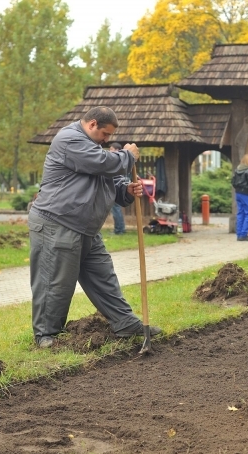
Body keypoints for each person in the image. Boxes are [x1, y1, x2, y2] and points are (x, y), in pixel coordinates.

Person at [28, 106, 162, 348]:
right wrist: (128, 156)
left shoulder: (92, 147)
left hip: (86, 227)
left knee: (104, 277)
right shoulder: (70, 140)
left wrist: (126, 190)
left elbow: (109, 179)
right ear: (91, 125)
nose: (107, 140)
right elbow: (102, 164)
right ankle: (45, 334)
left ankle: (125, 323)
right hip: (57, 223)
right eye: (105, 134)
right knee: (56, 281)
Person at [108, 142, 128, 234]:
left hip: (117, 187)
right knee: (116, 209)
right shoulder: (121, 160)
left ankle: (119, 230)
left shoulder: (118, 161)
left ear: (117, 150)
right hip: (117, 187)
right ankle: (120, 229)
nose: (110, 151)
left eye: (111, 149)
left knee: (116, 209)